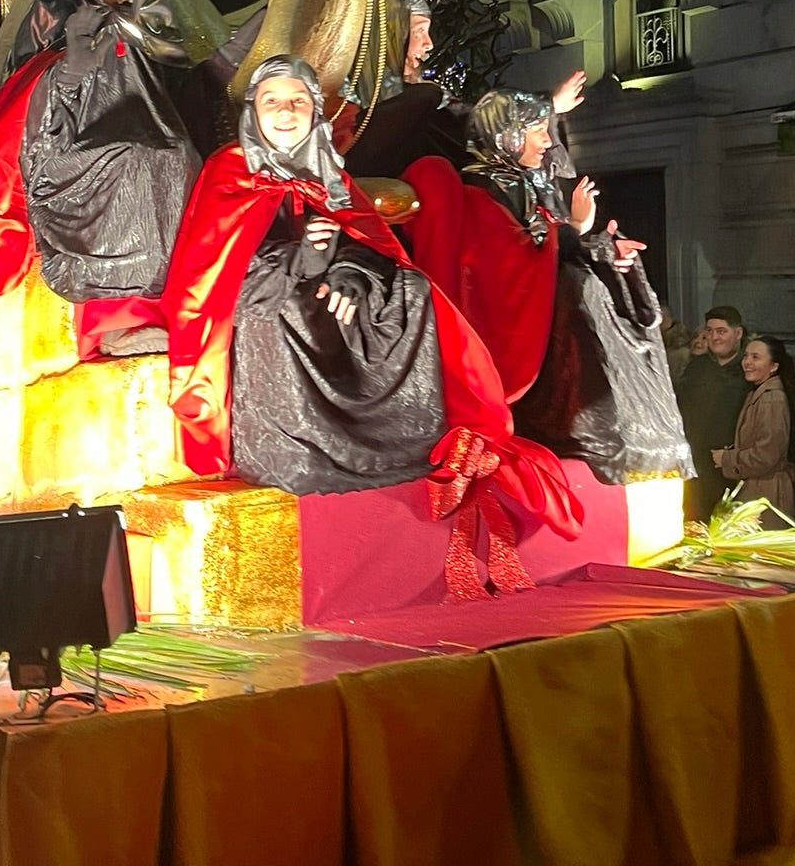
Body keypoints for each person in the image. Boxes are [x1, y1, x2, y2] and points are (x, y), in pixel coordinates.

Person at [165, 56, 580, 595]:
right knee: (286, 311)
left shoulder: (327, 173)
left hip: (331, 289)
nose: (286, 112)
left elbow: (371, 243)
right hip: (262, 297)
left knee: (413, 293)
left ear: (315, 111)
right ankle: (301, 448)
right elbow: (213, 270)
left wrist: (351, 272)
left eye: (298, 102)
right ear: (254, 113)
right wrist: (301, 266)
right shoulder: (232, 169)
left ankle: (399, 441)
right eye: (273, 102)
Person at [0, 0, 225, 354]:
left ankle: (164, 305)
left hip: (145, 130)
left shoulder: (154, 27)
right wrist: (70, 70)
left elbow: (184, 88)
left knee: (175, 156)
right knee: (129, 160)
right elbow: (39, 119)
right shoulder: (58, 27)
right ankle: (118, 313)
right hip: (66, 140)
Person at [402, 85, 692, 486]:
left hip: (551, 315)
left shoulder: (526, 183)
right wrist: (578, 238)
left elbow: (547, 244)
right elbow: (507, 256)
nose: (546, 140)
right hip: (511, 329)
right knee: (579, 293)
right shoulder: (480, 189)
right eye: (537, 129)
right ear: (507, 133)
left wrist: (599, 246)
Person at [712, 335, 795, 523]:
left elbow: (766, 455)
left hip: (768, 496)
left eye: (756, 357)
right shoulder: (760, 394)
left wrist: (727, 459)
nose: (747, 362)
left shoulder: (771, 399)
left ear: (774, 366)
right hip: (761, 492)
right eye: (746, 356)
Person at [673, 306, 752, 520]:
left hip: (734, 466)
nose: (714, 337)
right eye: (710, 331)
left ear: (738, 333)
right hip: (697, 463)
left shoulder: (749, 369)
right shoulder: (697, 367)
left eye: (721, 331)